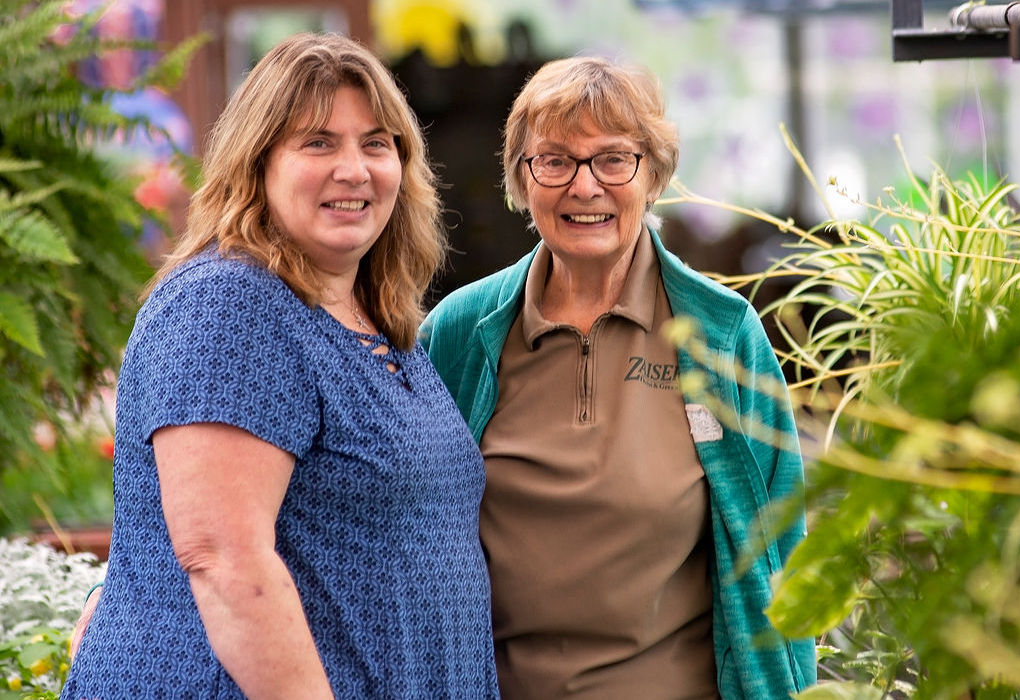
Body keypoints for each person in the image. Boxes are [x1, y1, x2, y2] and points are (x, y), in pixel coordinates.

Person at [61, 32, 499, 699]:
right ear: (256, 162)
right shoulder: (228, 302)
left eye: (376, 143)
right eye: (317, 142)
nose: (353, 168)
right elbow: (221, 560)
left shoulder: (377, 319)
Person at [419, 56, 816, 699]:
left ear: (653, 175)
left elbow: (781, 549)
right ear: (522, 179)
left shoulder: (719, 332)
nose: (584, 187)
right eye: (555, 161)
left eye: (613, 159)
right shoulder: (460, 333)